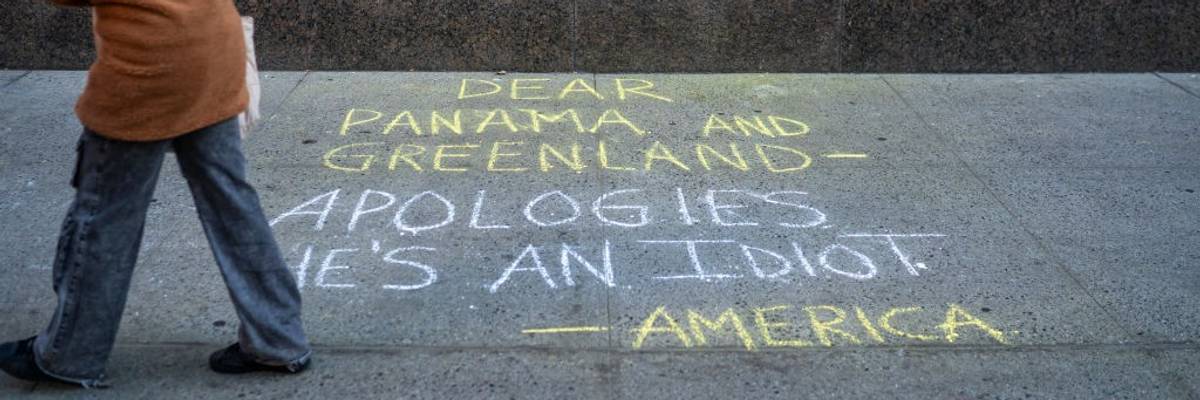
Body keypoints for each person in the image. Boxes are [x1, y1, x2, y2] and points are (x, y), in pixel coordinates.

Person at [0, 0, 311, 389]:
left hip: (148, 65)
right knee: (233, 204)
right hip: (214, 48)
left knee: (103, 215)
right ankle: (280, 339)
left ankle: (71, 353)